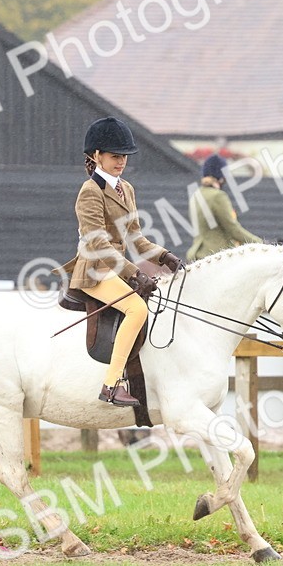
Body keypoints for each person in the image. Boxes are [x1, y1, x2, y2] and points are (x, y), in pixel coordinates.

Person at [63, 116, 183, 407]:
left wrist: (165, 256)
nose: (121, 162)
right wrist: (133, 274)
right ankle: (111, 384)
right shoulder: (89, 191)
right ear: (96, 156)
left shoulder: (126, 189)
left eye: (124, 156)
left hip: (115, 266)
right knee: (136, 309)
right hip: (94, 268)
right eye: (115, 156)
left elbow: (137, 240)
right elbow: (98, 243)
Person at [186, 154, 262, 261]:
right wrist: (260, 243)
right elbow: (233, 229)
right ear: (221, 177)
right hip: (217, 256)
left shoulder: (195, 195)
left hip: (196, 255)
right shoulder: (218, 196)